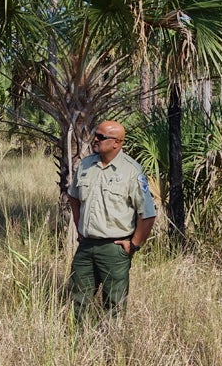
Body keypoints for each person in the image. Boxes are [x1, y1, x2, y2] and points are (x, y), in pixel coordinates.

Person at [67, 120, 157, 324]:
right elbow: (73, 197)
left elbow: (148, 214)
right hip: (86, 245)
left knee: (114, 304)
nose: (95, 140)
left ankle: (111, 348)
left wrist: (134, 244)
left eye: (100, 137)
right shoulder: (85, 165)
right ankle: (79, 345)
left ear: (116, 142)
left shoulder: (132, 171)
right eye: (95, 135)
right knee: (78, 299)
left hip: (114, 249)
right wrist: (80, 228)